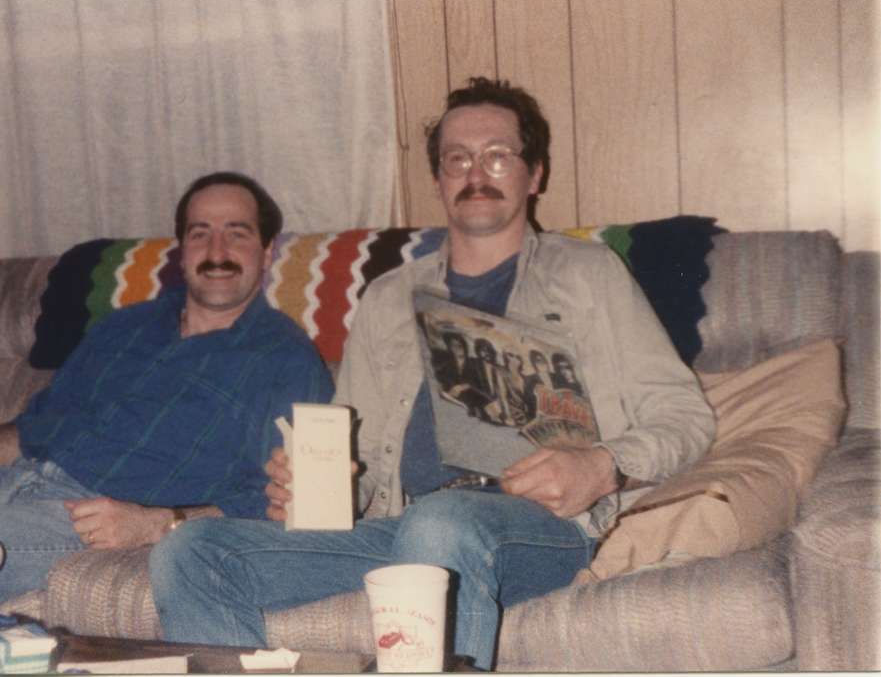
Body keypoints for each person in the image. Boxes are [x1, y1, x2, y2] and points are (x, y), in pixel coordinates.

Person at [150, 79, 715, 669]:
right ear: (441, 178)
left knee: (441, 524)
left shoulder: (590, 276)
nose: (476, 172)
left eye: (497, 155)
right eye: (457, 159)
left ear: (535, 174)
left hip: (540, 528)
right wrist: (317, 486)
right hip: (401, 526)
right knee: (189, 551)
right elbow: (361, 463)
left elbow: (685, 416)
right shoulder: (388, 297)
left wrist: (600, 466)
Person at [0, 171, 334, 603]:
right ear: (181, 251)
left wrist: (155, 523)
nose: (218, 252)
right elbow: (32, 429)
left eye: (237, 234)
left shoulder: (286, 362)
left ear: (266, 252)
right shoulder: (124, 326)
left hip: (88, 517)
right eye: (200, 234)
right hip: (19, 479)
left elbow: (276, 503)